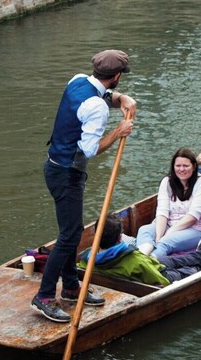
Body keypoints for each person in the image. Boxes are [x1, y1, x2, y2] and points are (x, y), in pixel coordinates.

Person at [31, 49, 137, 323]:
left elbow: (102, 96)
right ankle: (43, 296)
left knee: (72, 232)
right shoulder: (97, 108)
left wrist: (122, 100)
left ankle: (70, 287)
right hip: (67, 174)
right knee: (70, 235)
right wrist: (118, 131)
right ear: (115, 76)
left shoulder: (77, 80)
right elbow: (90, 149)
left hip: (55, 167)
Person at [78, 215, 201, 286]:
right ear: (120, 238)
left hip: (151, 264)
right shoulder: (135, 260)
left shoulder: (86, 261)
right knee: (188, 270)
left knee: (172, 260)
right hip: (160, 274)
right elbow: (161, 280)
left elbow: (79, 269)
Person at [135, 148, 201, 259]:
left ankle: (147, 265)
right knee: (144, 230)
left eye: (186, 166)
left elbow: (193, 216)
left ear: (194, 166)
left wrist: (168, 234)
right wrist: (158, 236)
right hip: (168, 224)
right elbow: (162, 212)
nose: (181, 169)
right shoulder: (167, 182)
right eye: (178, 166)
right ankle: (140, 258)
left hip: (194, 229)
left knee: (164, 243)